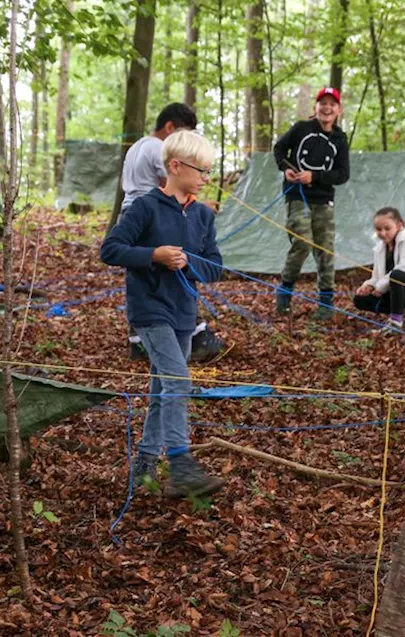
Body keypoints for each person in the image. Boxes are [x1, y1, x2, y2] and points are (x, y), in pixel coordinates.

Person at [101, 131, 226, 498]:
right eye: (201, 170)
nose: (206, 177)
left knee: (162, 389)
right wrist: (154, 255)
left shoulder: (203, 215)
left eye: (208, 170)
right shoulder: (145, 207)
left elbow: (216, 267)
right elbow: (111, 249)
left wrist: (190, 264)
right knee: (178, 381)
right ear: (175, 166)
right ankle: (181, 464)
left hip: (184, 315)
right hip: (149, 311)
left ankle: (143, 466)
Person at [117, 102, 226, 362]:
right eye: (183, 134)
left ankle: (144, 339)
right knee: (163, 272)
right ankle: (166, 334)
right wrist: (196, 205)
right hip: (154, 212)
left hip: (132, 207)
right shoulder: (158, 148)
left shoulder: (137, 145)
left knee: (157, 272)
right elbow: (172, 182)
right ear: (170, 129)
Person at [272, 87, 351, 321]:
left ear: (338, 110)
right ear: (315, 107)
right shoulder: (301, 129)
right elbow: (279, 149)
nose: (327, 108)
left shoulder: (340, 139)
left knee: (325, 250)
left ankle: (326, 302)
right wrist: (286, 168)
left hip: (324, 200)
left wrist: (314, 177)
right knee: (302, 243)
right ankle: (285, 292)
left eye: (332, 104)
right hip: (297, 196)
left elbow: (342, 174)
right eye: (322, 103)